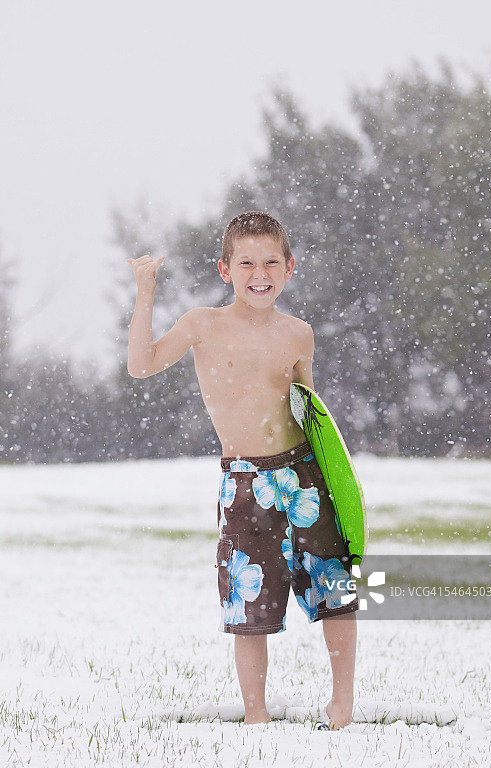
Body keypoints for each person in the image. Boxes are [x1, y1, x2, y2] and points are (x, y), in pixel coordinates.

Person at [127, 211, 357, 729]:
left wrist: (340, 485)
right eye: (247, 261)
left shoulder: (299, 334)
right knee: (248, 605)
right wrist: (146, 289)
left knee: (336, 589)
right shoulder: (202, 325)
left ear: (290, 268)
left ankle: (341, 703)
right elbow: (141, 365)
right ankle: (257, 713)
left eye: (271, 261)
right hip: (245, 483)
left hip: (304, 477)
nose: (260, 272)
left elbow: (310, 409)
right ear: (225, 269)